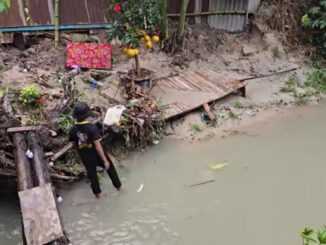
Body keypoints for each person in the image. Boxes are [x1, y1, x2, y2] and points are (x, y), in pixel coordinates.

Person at [69, 102, 121, 198]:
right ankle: (119, 188)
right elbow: (98, 146)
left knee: (92, 175)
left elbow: (73, 145)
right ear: (87, 115)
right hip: (96, 155)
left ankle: (98, 196)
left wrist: (80, 155)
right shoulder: (92, 128)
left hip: (85, 156)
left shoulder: (72, 129)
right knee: (110, 168)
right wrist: (105, 160)